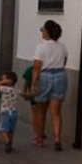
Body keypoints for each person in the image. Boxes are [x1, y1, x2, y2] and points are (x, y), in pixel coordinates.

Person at [29, 20, 70, 151]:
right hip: (60, 76)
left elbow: (36, 67)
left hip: (45, 76)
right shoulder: (62, 47)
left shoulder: (41, 47)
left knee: (41, 110)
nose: (41, 31)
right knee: (56, 112)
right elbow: (64, 62)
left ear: (47, 31)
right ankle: (57, 138)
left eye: (42, 29)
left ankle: (39, 138)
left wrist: (33, 84)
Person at [0, 72, 20, 153]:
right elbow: (21, 93)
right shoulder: (15, 88)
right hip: (14, 112)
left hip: (6, 112)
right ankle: (10, 144)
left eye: (5, 79)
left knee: (3, 129)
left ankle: (7, 141)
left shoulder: (5, 89)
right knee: (11, 130)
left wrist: (3, 82)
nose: (3, 81)